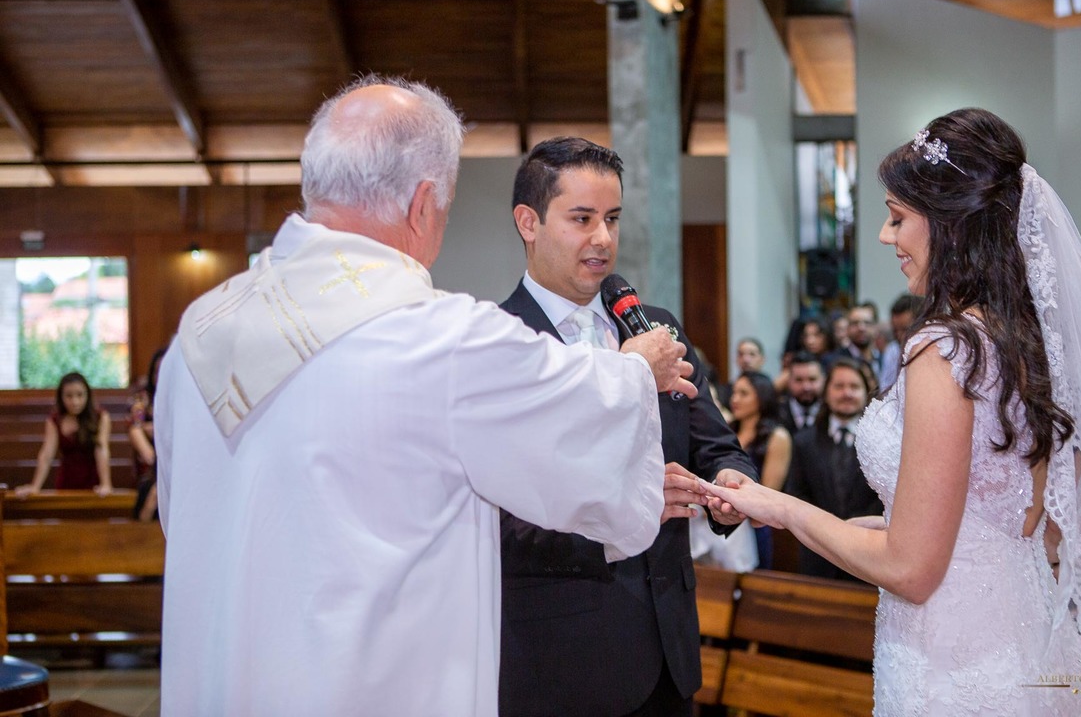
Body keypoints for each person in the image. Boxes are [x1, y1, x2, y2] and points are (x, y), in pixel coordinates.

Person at [154, 78, 698, 716]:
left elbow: (177, 507)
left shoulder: (202, 328)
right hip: (367, 688)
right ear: (422, 204)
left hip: (222, 679)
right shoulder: (439, 336)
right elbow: (577, 417)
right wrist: (635, 367)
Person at [700, 108, 1081, 715]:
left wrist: (779, 505)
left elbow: (912, 568)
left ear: (951, 226)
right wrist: (817, 522)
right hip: (1018, 638)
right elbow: (1003, 526)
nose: (887, 237)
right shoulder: (1020, 342)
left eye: (897, 218)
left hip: (953, 664)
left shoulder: (945, 350)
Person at [497, 136, 757, 717]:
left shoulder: (653, 326)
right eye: (582, 219)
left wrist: (729, 487)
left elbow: (717, 442)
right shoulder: (501, 341)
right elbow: (504, 520)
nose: (603, 240)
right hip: (563, 657)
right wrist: (632, 506)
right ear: (529, 222)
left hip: (670, 647)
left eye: (612, 219)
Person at [785, 357, 882, 581]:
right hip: (818, 555)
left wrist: (853, 530)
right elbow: (796, 494)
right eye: (839, 386)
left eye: (854, 387)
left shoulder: (883, 444)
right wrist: (827, 530)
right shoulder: (803, 442)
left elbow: (886, 497)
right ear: (827, 392)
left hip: (868, 558)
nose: (846, 393)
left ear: (866, 392)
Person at [729, 370, 792, 569]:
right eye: (734, 392)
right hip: (718, 522)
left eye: (744, 393)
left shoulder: (777, 437)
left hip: (754, 526)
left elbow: (768, 492)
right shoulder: (727, 430)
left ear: (762, 397)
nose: (735, 399)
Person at [16, 372, 112, 497]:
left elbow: (102, 449)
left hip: (94, 482)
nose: (75, 401)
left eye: (80, 395)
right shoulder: (55, 420)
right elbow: (46, 455)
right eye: (69, 396)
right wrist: (35, 486)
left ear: (87, 395)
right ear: (61, 397)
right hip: (66, 481)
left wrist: (106, 484)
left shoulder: (101, 417)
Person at [128, 347, 166, 521]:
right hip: (150, 462)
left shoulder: (185, 398)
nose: (161, 376)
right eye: (157, 371)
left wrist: (155, 429)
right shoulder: (143, 398)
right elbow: (136, 425)